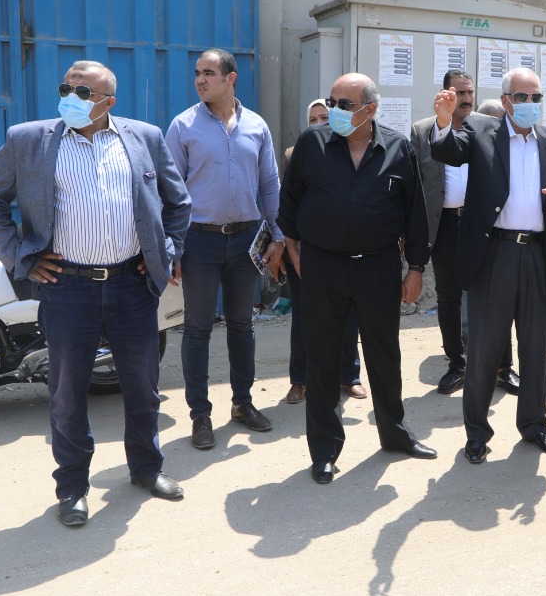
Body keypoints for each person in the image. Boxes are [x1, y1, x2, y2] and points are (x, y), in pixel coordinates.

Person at [0, 60, 191, 526]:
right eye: (66, 88)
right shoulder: (28, 140)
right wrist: (20, 256)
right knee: (68, 393)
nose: (71, 97)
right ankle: (72, 487)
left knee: (143, 387)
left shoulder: (144, 138)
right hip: (67, 287)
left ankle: (147, 469)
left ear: (108, 102)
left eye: (83, 92)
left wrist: (165, 252)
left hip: (132, 285)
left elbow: (178, 203)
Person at [277, 73, 436, 484]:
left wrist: (415, 269)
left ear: (371, 109)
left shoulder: (398, 148)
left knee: (384, 355)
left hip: (377, 266)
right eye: (331, 102)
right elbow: (288, 202)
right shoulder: (312, 144)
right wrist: (294, 251)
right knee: (322, 358)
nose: (334, 111)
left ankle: (395, 434)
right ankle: (324, 450)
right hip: (322, 266)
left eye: (344, 105)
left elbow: (415, 214)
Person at [429, 67, 546, 464]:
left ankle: (535, 425)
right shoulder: (480, 131)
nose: (530, 104)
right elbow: (447, 151)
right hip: (494, 253)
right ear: (506, 100)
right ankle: (477, 433)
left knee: (536, 346)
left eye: (536, 98)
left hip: (537, 253)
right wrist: (443, 122)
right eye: (522, 97)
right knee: (485, 349)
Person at [165, 49, 283, 450]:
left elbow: (269, 184)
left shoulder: (256, 126)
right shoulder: (183, 126)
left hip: (246, 239)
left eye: (209, 73)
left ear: (231, 79)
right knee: (197, 327)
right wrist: (173, 247)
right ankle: (200, 415)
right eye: (197, 73)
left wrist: (278, 236)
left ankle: (242, 403)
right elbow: (170, 192)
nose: (200, 80)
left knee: (241, 324)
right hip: (199, 240)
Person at [410, 70, 520, 396]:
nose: (467, 98)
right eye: (460, 92)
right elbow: (415, 185)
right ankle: (457, 364)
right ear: (445, 94)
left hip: (483, 224)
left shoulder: (489, 127)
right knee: (448, 297)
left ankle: (503, 367)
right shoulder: (422, 131)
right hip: (443, 225)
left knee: (494, 295)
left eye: (470, 91)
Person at [282, 98, 364, 405]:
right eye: (313, 119)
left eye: (325, 118)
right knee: (304, 315)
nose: (318, 124)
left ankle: (349, 376)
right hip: (306, 249)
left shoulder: (349, 151)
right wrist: (291, 250)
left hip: (345, 249)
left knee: (349, 314)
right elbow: (287, 202)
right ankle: (300, 379)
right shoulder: (294, 154)